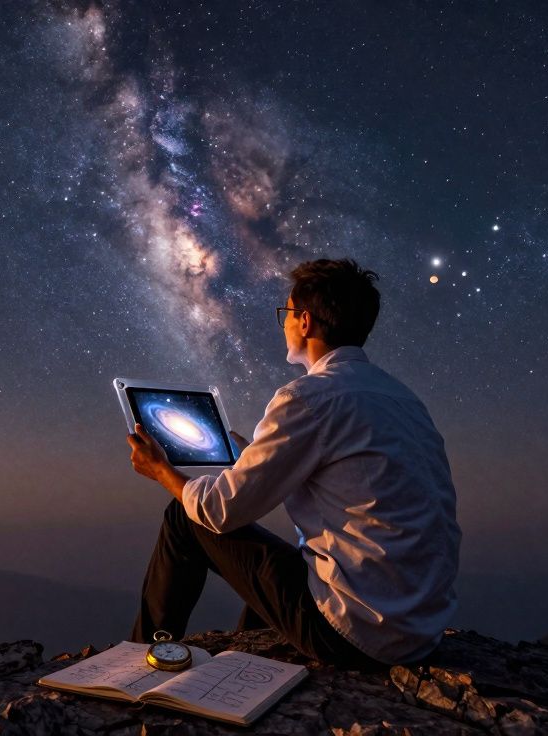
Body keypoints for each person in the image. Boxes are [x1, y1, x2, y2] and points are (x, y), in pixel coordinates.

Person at [126, 258, 461, 668]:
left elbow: (219, 511)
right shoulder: (403, 399)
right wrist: (257, 456)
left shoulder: (307, 397)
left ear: (304, 320)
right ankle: (246, 659)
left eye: (285, 312)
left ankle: (138, 663)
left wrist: (161, 470)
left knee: (185, 517)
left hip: (353, 634)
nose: (282, 324)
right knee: (286, 563)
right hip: (418, 629)